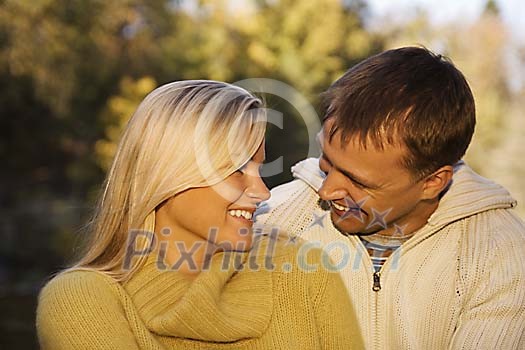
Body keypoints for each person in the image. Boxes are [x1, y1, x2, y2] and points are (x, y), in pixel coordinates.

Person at [36, 80, 363, 349]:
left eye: (258, 168)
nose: (262, 192)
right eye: (236, 170)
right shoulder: (83, 301)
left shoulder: (303, 268)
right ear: (168, 175)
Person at [256, 47, 525, 349]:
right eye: (327, 162)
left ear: (433, 182)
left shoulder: (502, 255)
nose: (326, 191)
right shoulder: (271, 221)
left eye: (357, 181)